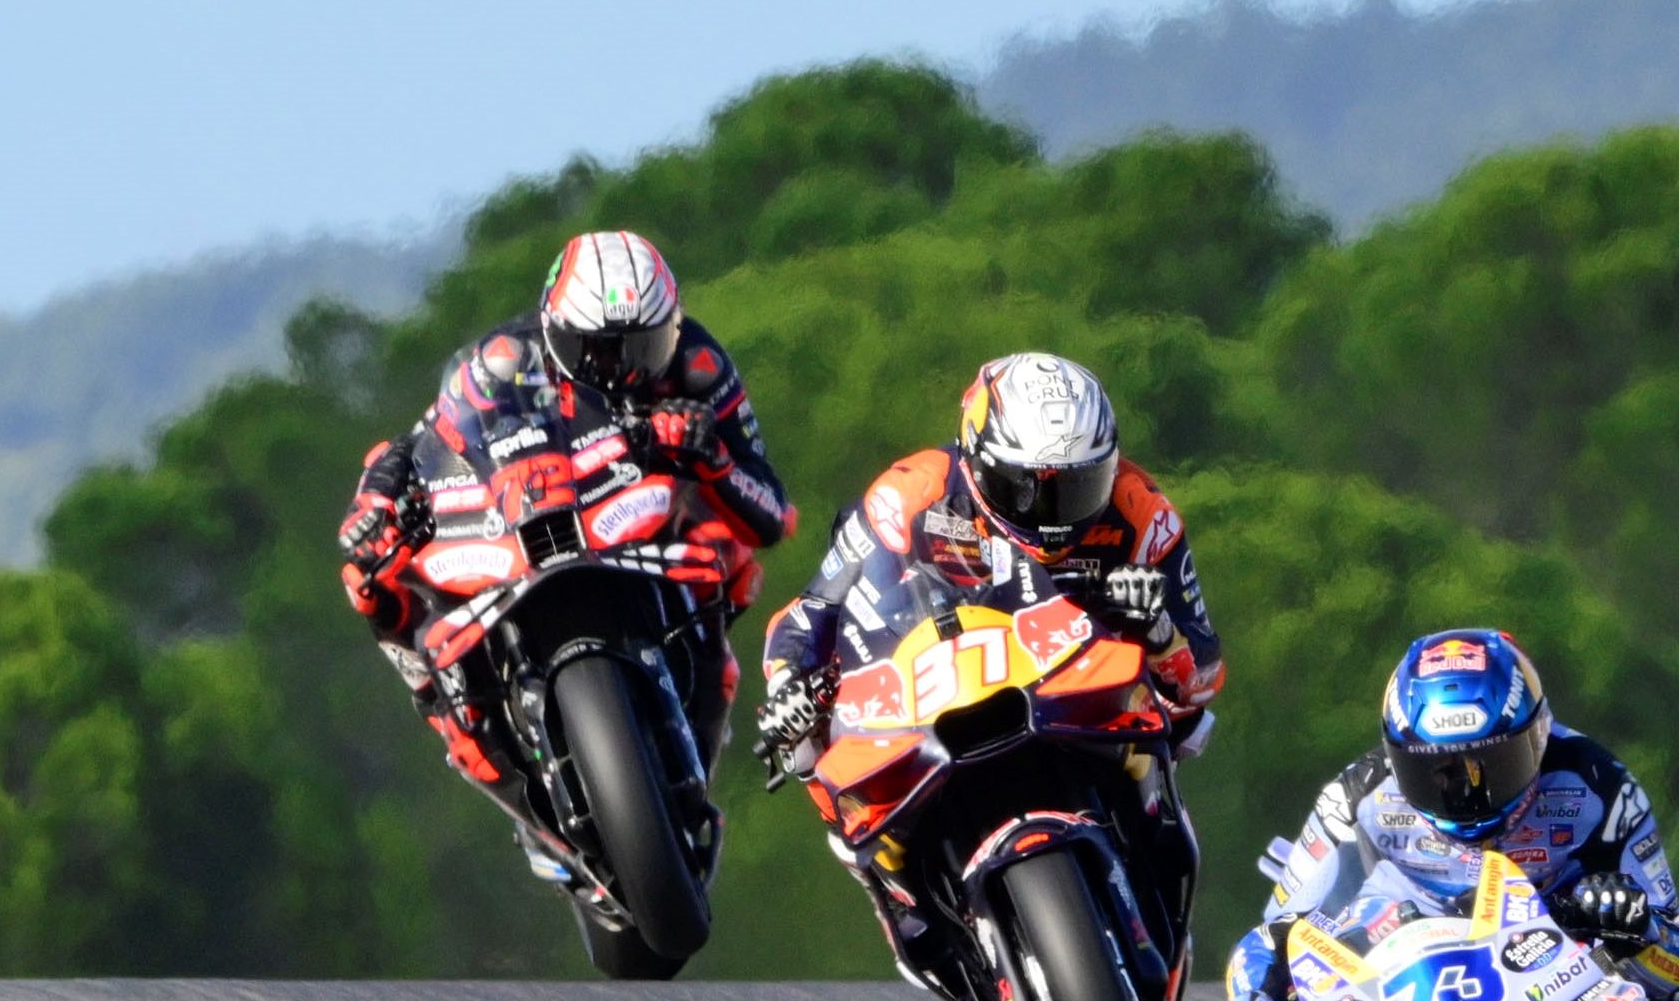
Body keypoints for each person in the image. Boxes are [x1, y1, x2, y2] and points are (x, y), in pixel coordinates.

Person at [751, 351, 1221, 957]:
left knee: (1188, 727)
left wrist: (1157, 629)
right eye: (1025, 487)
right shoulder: (909, 494)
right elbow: (813, 612)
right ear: (975, 459)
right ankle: (900, 892)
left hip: (1083, 694)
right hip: (943, 686)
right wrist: (790, 683)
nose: (1052, 516)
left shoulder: (1142, 513)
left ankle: (1146, 862)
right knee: (809, 749)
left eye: (1079, 488)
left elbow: (1203, 675)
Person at [1215, 627, 1679, 1001]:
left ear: (1537, 735)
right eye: (1437, 772)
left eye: (1493, 763)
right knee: (1309, 982)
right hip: (1406, 960)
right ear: (1396, 755)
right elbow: (1274, 937)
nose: (1468, 795)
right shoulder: (1357, 795)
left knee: (1646, 976)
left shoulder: (1602, 786)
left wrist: (1638, 925)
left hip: (1549, 944)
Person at [333, 226, 795, 749]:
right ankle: (451, 715)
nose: (625, 370)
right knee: (366, 574)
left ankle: (701, 659)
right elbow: (420, 439)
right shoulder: (509, 358)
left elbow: (772, 510)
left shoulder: (699, 364)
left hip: (645, 525)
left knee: (730, 550)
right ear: (557, 329)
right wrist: (377, 504)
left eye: (646, 346)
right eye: (599, 351)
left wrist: (710, 457)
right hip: (537, 520)